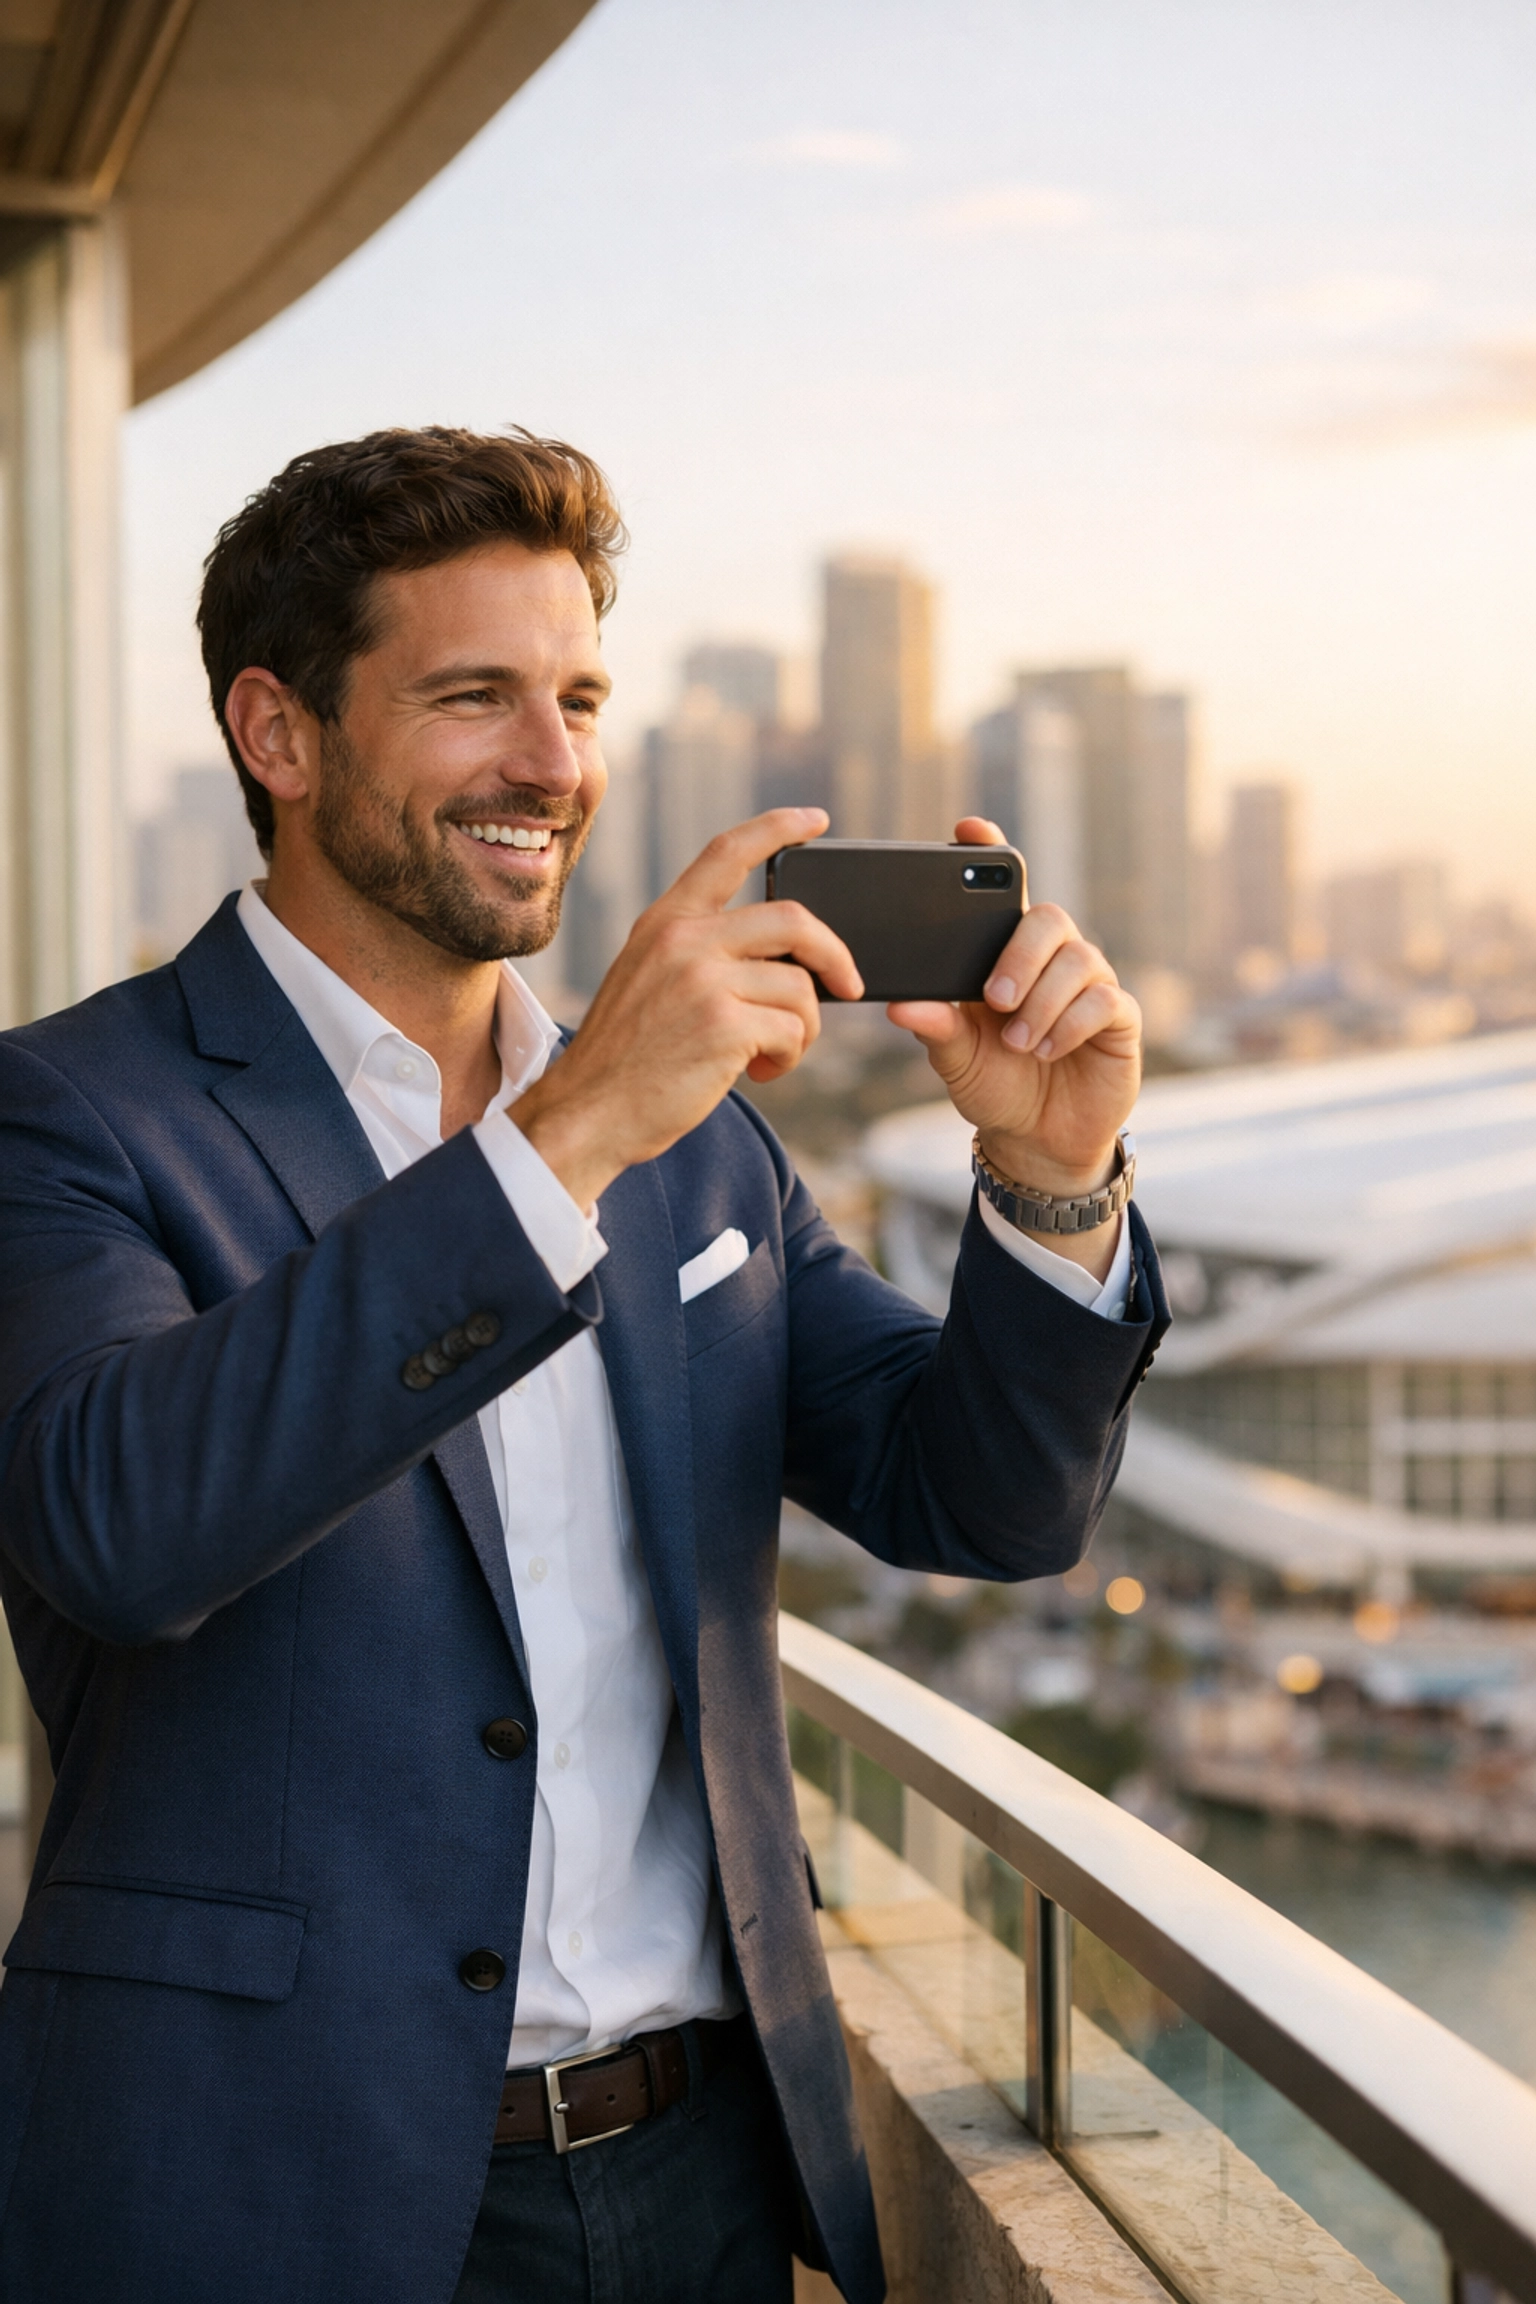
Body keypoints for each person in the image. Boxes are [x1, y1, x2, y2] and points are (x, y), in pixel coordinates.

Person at [0, 427, 1165, 2304]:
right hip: (257, 2190)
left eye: (578, 698)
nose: (552, 765)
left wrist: (1050, 1183)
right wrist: (561, 1138)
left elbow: (985, 1503)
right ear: (278, 736)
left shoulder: (701, 1141)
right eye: (473, 697)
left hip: (696, 2181)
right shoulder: (69, 1113)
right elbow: (121, 1526)